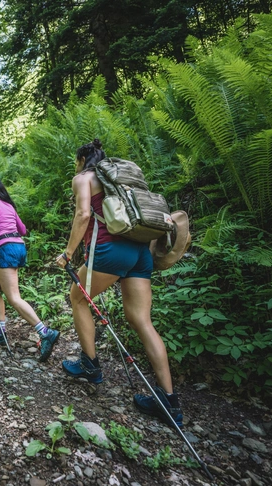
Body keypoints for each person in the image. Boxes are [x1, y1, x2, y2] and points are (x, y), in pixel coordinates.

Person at [55, 139, 183, 427]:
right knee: (141, 320)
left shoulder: (84, 178)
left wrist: (68, 253)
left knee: (77, 298)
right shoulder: (123, 182)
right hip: (141, 252)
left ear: (83, 158)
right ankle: (169, 400)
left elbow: (84, 214)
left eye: (77, 161)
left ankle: (90, 365)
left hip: (111, 250)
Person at [0, 176, 59, 363]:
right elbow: (23, 230)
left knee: (14, 297)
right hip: (19, 246)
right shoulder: (8, 205)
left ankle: (45, 332)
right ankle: (0, 330)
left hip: (6, 248)